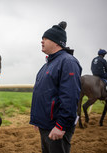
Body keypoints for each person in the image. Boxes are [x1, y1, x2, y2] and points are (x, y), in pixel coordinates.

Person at [30, 21, 82, 153]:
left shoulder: (68, 62)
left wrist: (61, 125)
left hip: (57, 127)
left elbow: (70, 96)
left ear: (56, 42)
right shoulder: (48, 64)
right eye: (42, 38)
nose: (42, 41)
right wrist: (38, 119)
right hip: (46, 125)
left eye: (45, 38)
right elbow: (42, 92)